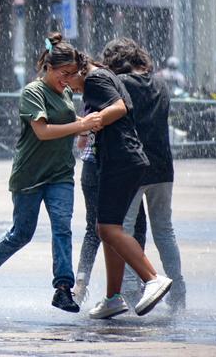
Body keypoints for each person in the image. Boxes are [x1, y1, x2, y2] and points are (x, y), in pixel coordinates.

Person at [0, 33, 102, 313]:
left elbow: (67, 121)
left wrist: (86, 124)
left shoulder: (65, 92)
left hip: (61, 173)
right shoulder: (33, 92)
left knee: (62, 228)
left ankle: (63, 289)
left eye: (72, 75)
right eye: (63, 74)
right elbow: (42, 131)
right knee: (22, 233)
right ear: (49, 68)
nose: (67, 80)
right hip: (30, 175)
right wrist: (81, 126)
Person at [71, 46, 174, 319]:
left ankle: (152, 278)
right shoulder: (103, 76)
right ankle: (114, 297)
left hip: (121, 159)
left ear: (72, 69)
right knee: (109, 229)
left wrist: (90, 122)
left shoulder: (95, 79)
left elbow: (120, 107)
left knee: (107, 229)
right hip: (128, 159)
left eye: (63, 77)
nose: (64, 85)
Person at [102, 38, 186, 312]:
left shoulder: (120, 84)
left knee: (121, 230)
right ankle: (178, 295)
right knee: (165, 230)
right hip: (163, 166)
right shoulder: (161, 84)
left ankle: (128, 293)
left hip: (133, 166)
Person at [73, 123, 149, 305]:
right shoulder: (123, 104)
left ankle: (80, 286)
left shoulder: (92, 102)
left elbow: (81, 143)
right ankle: (133, 285)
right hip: (118, 169)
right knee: (135, 226)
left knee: (93, 229)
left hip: (91, 167)